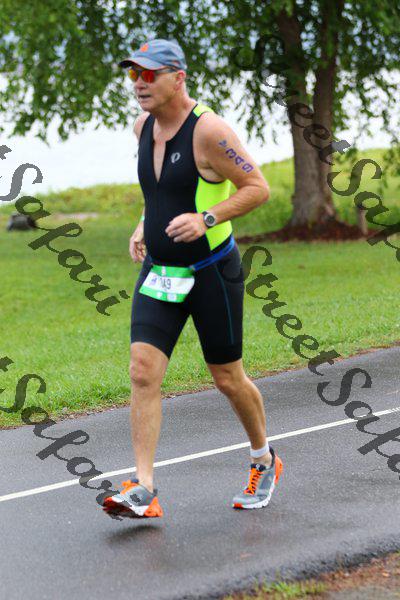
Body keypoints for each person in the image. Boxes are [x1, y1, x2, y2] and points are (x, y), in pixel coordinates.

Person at [103, 38, 283, 520]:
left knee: (227, 377)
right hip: (160, 272)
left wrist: (207, 218)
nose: (138, 84)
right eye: (133, 74)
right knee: (142, 371)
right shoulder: (142, 127)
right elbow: (160, 193)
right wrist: (144, 224)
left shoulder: (210, 132)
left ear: (178, 78)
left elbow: (257, 187)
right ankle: (143, 488)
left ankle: (263, 459)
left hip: (210, 272)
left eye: (149, 74)